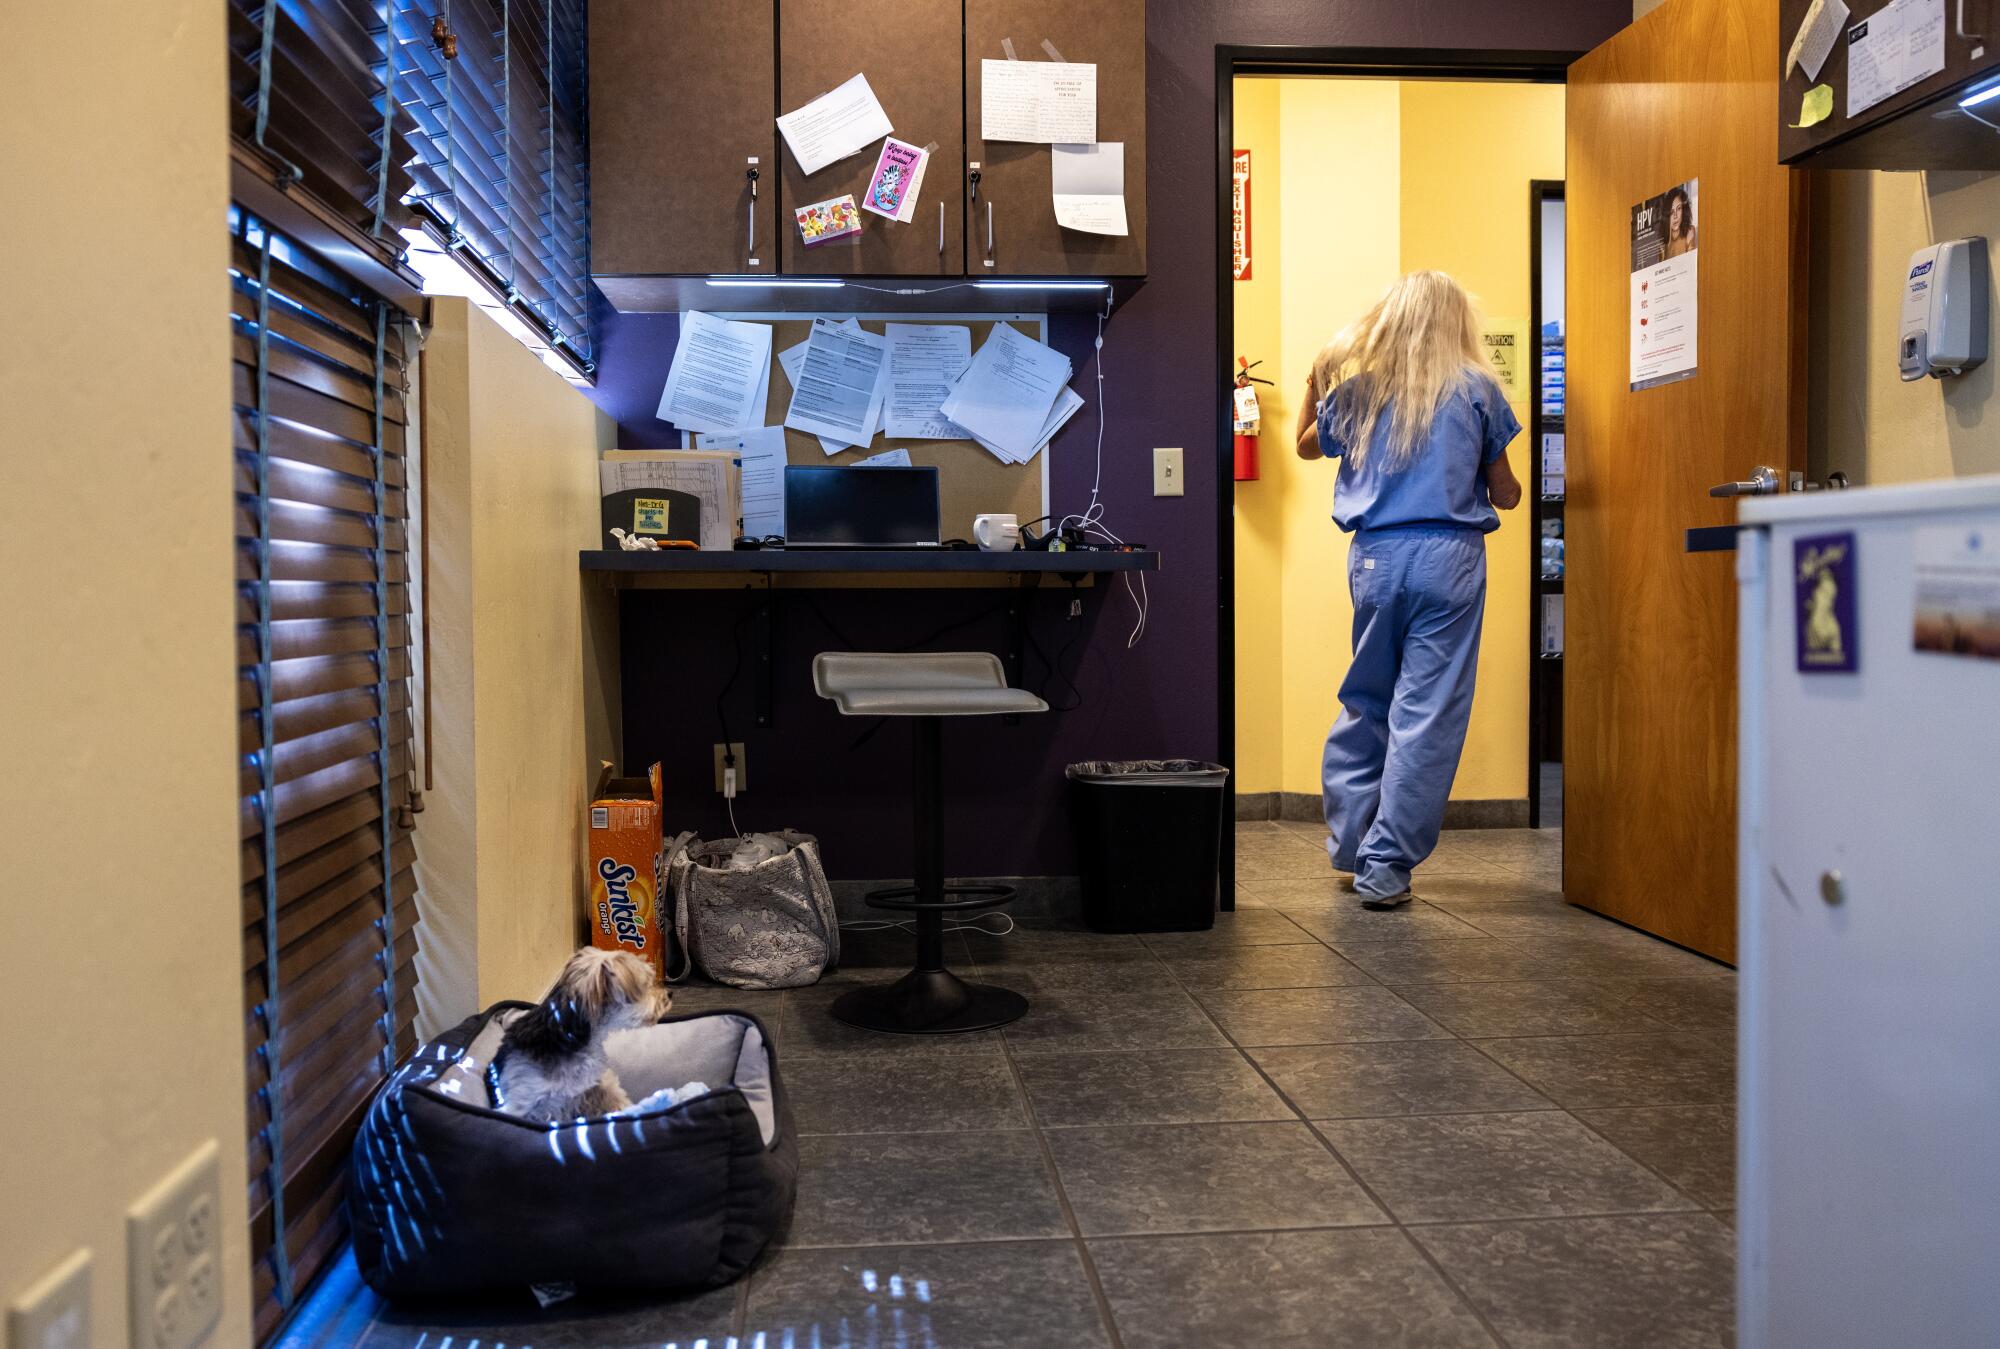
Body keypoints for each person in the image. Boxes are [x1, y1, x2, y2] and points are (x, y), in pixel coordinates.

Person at [1294, 270, 1523, 908]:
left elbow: (1307, 447)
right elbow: (1505, 491)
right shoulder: (1476, 388)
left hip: (1373, 561)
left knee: (1365, 698)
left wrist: (1316, 382)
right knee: (1426, 713)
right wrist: (1483, 476)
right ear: (1456, 323)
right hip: (1448, 562)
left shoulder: (1363, 392)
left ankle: (1351, 842)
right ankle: (1385, 867)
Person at [1664, 186, 1697, 257]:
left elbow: (1691, 262)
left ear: (1684, 210)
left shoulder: (1689, 231)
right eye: (1671, 212)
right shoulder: (1662, 238)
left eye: (1679, 208)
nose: (1675, 216)